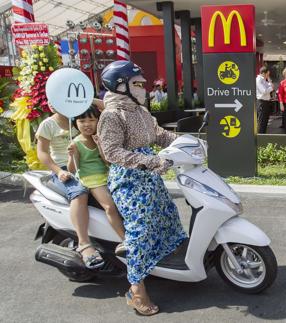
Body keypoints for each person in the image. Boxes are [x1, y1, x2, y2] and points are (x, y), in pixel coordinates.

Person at [98, 60, 187, 316]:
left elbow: (159, 134)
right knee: (141, 228)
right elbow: (113, 152)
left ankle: (161, 264)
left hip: (150, 176)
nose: (143, 89)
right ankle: (136, 289)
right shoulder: (111, 115)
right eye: (137, 84)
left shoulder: (141, 111)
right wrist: (148, 160)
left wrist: (189, 142)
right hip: (129, 179)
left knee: (168, 215)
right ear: (120, 86)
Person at [36, 101, 103, 269]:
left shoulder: (81, 117)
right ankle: (84, 243)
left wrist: (87, 99)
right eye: (50, 99)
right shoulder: (48, 124)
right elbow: (42, 153)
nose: (52, 103)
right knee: (79, 193)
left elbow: (108, 107)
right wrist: (58, 171)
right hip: (65, 168)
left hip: (90, 165)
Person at [67, 105, 125, 242]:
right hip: (91, 179)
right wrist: (71, 155)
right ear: (75, 123)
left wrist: (100, 145)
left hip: (108, 174)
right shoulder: (75, 143)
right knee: (109, 207)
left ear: (98, 121)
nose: (87, 124)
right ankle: (125, 239)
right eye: (82, 121)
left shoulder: (100, 138)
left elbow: (107, 162)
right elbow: (72, 169)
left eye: (92, 120)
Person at [256, 66, 274, 133]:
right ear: (263, 73)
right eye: (267, 74)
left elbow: (271, 85)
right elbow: (263, 91)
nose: (268, 76)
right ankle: (260, 135)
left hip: (266, 102)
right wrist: (270, 88)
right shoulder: (258, 80)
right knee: (262, 120)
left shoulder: (264, 80)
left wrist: (269, 81)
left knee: (265, 120)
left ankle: (263, 134)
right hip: (262, 102)